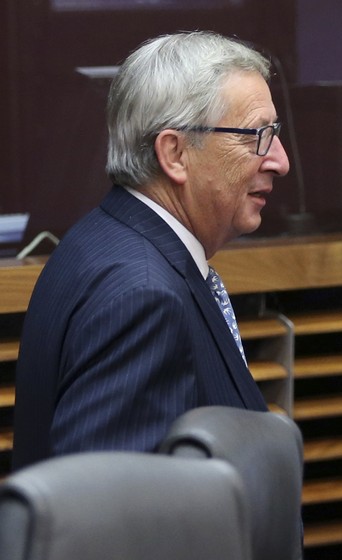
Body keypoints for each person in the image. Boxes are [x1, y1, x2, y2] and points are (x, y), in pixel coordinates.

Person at [12, 31, 290, 470]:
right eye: (256, 135)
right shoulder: (142, 296)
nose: (280, 159)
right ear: (174, 152)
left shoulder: (100, 238)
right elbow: (115, 519)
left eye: (274, 134)